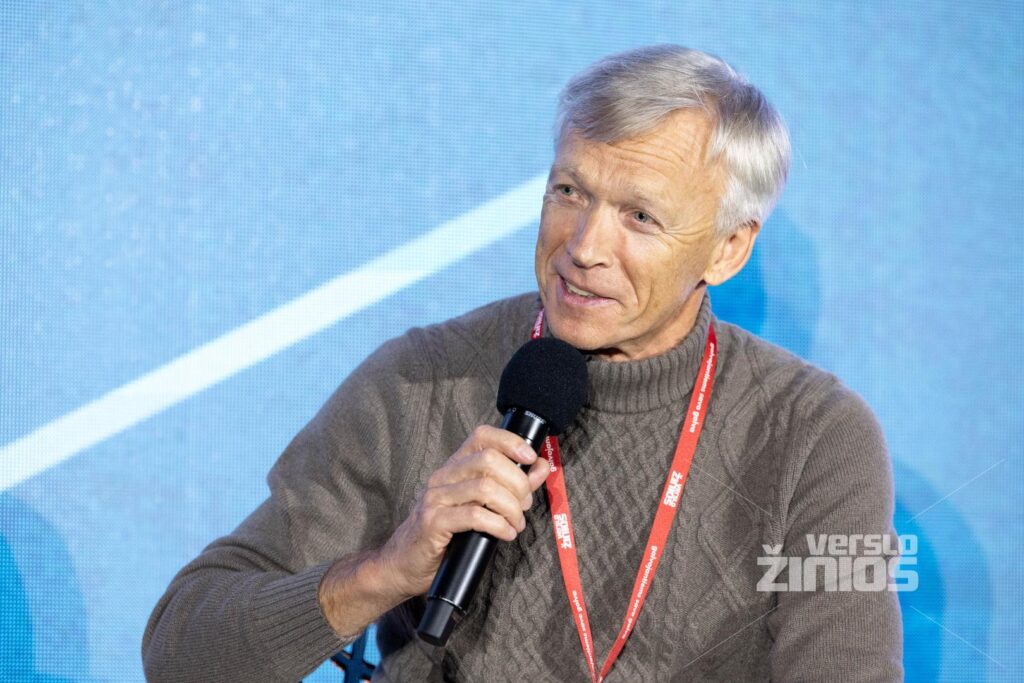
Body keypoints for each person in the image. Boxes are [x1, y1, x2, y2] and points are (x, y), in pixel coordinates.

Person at [143, 45, 903, 681]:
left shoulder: (819, 438)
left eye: (639, 216)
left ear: (728, 249)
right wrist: (386, 571)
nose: (584, 246)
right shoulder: (421, 381)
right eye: (570, 191)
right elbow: (180, 651)